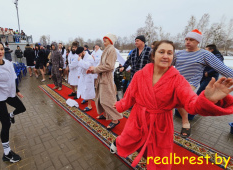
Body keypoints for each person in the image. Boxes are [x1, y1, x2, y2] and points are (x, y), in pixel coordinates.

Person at [110, 40, 233, 170]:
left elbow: (191, 103)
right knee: (128, 138)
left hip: (161, 123)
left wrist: (208, 100)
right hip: (138, 118)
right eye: (161, 52)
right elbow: (130, 96)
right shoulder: (140, 75)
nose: (166, 56)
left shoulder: (177, 80)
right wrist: (120, 105)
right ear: (153, 55)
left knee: (159, 155)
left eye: (170, 53)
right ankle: (117, 142)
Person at [175, 29, 233, 138]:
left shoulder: (204, 54)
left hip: (190, 83)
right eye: (186, 39)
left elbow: (221, 68)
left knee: (180, 98)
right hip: (175, 81)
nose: (188, 42)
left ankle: (185, 122)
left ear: (198, 42)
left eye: (191, 39)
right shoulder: (178, 53)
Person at [87, 33, 123, 130]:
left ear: (110, 40)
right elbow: (101, 64)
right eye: (104, 39)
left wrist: (95, 69)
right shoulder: (106, 50)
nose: (104, 40)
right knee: (100, 97)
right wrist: (92, 69)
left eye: (106, 39)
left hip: (106, 79)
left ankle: (115, 119)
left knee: (107, 99)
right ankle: (106, 114)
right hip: (101, 77)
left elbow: (109, 66)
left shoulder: (111, 50)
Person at [76, 47, 95, 111]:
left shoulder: (89, 57)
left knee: (88, 90)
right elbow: (79, 66)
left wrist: (80, 60)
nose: (79, 56)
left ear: (83, 52)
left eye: (79, 54)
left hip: (88, 76)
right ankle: (85, 99)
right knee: (83, 88)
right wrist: (79, 74)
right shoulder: (82, 57)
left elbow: (87, 66)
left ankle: (89, 105)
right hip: (83, 76)